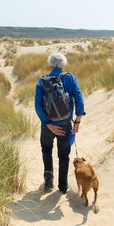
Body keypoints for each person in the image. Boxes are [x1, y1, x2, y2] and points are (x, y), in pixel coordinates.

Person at [35, 52, 85, 194]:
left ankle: (49, 180)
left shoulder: (42, 81)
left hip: (47, 126)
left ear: (50, 65)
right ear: (63, 65)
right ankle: (62, 186)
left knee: (46, 150)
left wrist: (48, 124)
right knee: (63, 156)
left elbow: (37, 106)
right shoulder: (70, 78)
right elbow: (79, 101)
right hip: (64, 125)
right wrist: (77, 122)